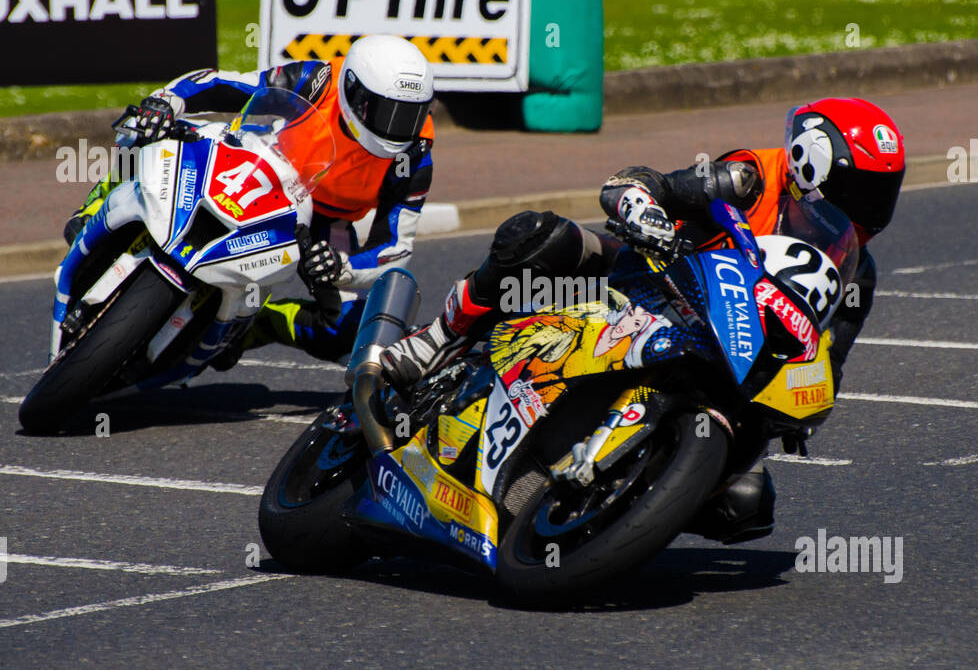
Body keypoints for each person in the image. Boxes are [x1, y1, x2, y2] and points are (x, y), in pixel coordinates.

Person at [380, 97, 905, 541]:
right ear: (807, 163)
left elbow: (828, 357)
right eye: (861, 189)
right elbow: (640, 183)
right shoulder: (749, 177)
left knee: (746, 505)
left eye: (884, 193)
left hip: (732, 366)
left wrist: (803, 400)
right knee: (542, 240)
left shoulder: (855, 270)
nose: (873, 209)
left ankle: (619, 504)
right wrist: (642, 208)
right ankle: (439, 337)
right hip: (645, 284)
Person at [63, 34, 436, 366]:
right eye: (388, 113)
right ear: (353, 91)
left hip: (323, 220)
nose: (399, 127)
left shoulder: (415, 154)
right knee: (147, 129)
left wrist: (340, 267)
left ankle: (255, 321)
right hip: (262, 165)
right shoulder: (319, 80)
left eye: (412, 115)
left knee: (345, 328)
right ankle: (94, 207)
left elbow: (394, 249)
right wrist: (167, 102)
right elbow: (228, 85)